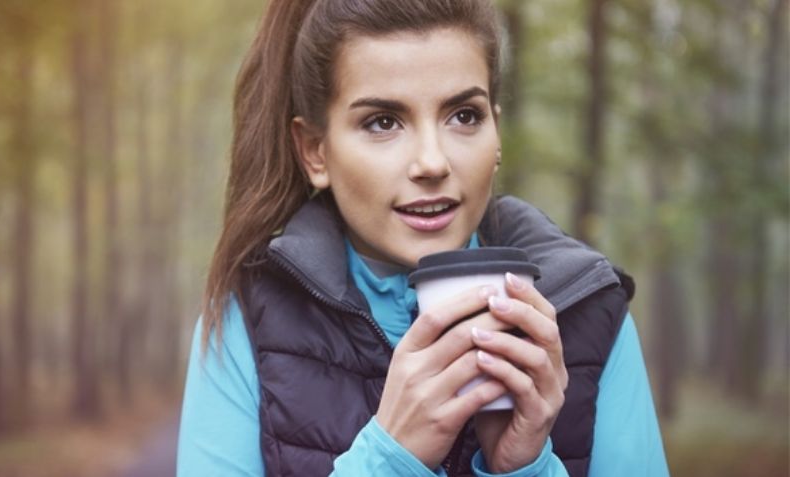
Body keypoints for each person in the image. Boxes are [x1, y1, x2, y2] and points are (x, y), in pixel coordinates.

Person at [177, 0, 669, 475]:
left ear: (496, 131)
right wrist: (389, 459)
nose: (432, 162)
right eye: (383, 122)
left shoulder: (590, 314)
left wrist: (526, 470)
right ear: (315, 153)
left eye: (464, 116)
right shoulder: (247, 322)